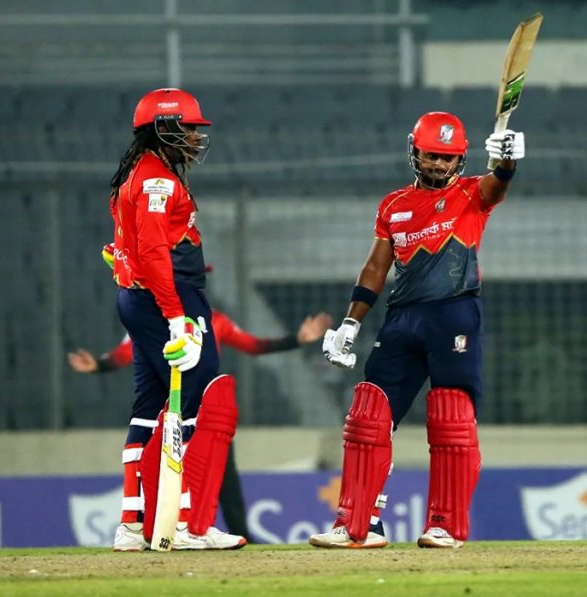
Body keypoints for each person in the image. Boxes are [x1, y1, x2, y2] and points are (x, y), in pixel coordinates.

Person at [309, 112, 525, 550]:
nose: (439, 164)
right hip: (403, 317)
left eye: (448, 157)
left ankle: (444, 525)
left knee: (451, 417)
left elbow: (497, 185)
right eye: (431, 155)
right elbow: (375, 268)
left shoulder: (471, 194)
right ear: (415, 152)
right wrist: (351, 322)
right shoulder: (393, 205)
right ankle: (358, 525)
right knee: (368, 414)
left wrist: (506, 163)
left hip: (454, 314)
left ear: (461, 159)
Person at [68, 260, 332, 544]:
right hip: (174, 407)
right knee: (175, 465)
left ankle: (234, 533)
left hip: (208, 408)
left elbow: (253, 345)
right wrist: (100, 364)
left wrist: (296, 339)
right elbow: (126, 351)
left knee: (225, 478)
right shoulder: (156, 316)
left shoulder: (216, 320)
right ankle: (174, 527)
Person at [106, 87, 244, 551]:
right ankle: (182, 523)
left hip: (139, 297)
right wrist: (175, 316)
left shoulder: (141, 173)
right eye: (186, 128)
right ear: (162, 129)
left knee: (148, 408)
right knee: (198, 399)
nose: (195, 138)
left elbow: (134, 243)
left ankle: (132, 525)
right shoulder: (156, 181)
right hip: (166, 298)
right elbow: (152, 251)